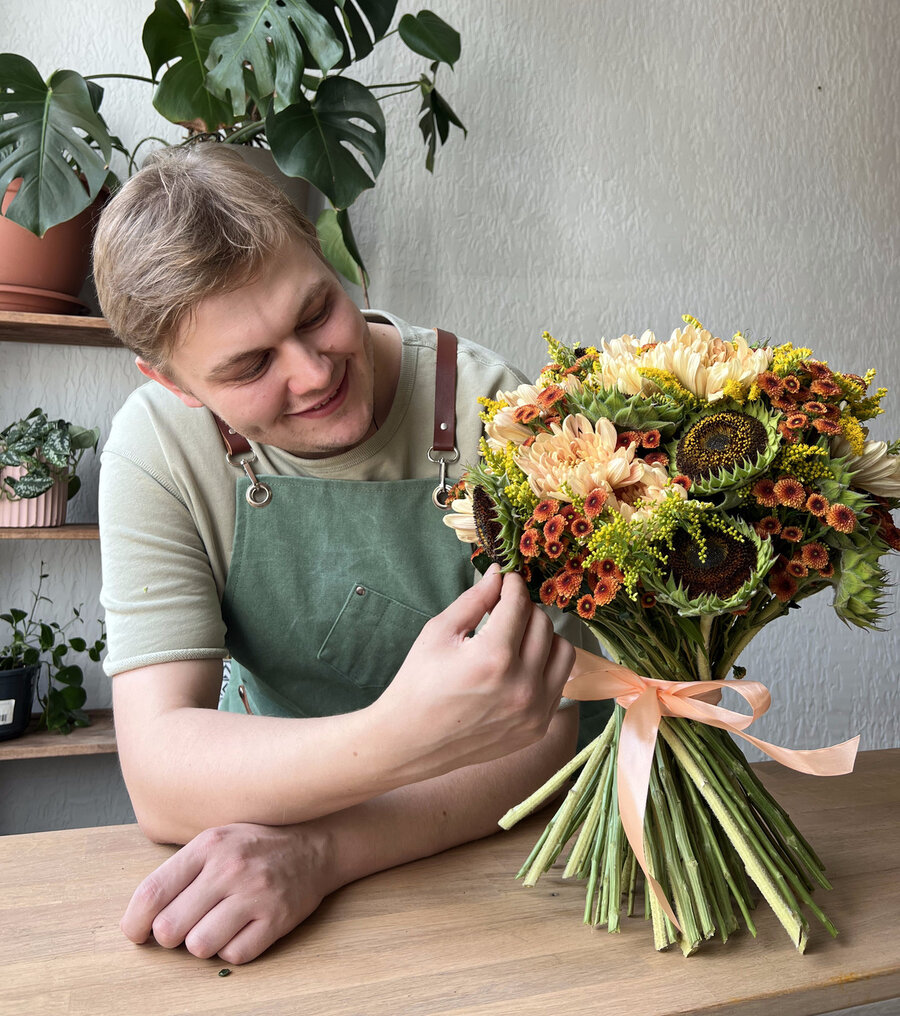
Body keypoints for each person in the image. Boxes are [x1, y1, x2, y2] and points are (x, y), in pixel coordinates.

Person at [93, 145, 606, 965]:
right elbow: (159, 776)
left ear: (328, 256)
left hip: (503, 854)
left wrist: (322, 850)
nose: (312, 371)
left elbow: (541, 727)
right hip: (276, 860)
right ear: (177, 385)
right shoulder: (156, 449)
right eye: (250, 366)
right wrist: (400, 734)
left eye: (315, 313)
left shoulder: (495, 413)